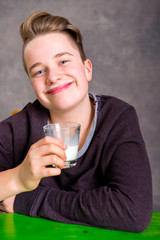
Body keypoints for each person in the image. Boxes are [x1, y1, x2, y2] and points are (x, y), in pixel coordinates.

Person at [0, 11, 152, 232]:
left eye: (63, 61)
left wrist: (27, 200)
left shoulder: (118, 118)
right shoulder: (18, 129)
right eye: (39, 71)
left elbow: (132, 210)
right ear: (32, 83)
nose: (53, 76)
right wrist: (19, 178)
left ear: (87, 69)